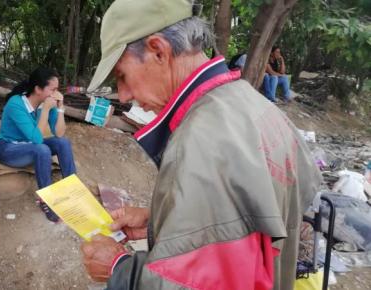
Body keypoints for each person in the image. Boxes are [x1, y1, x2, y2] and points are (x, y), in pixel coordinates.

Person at [80, 0, 322, 289]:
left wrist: (119, 268)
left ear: (159, 51)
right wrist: (166, 221)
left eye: (122, 76)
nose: (122, 96)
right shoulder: (251, 102)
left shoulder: (201, 141)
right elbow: (259, 217)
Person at [0, 67, 76, 223]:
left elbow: (59, 133)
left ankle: (73, 191)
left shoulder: (47, 102)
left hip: (30, 146)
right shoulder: (16, 104)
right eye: (52, 90)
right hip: (7, 148)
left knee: (63, 143)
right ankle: (47, 200)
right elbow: (37, 140)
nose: (55, 94)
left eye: (57, 90)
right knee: (42, 149)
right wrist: (45, 110)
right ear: (38, 89)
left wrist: (60, 109)